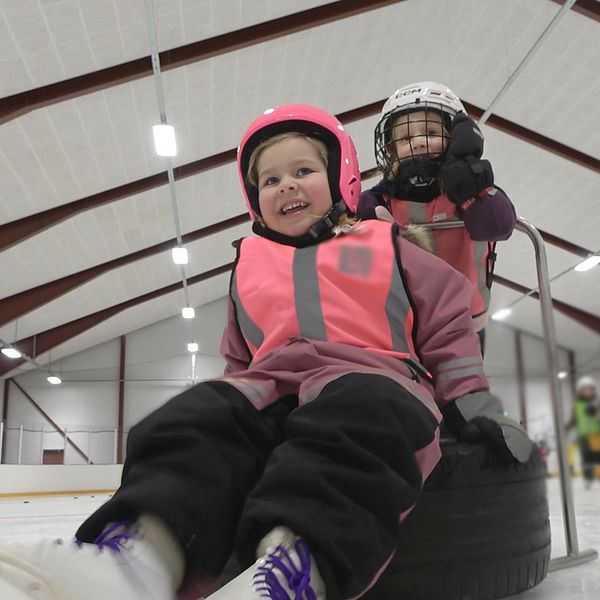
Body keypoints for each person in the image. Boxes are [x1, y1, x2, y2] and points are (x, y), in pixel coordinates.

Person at [0, 104, 532, 600]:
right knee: (192, 421)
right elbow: (238, 356)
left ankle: (292, 570)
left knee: (351, 428)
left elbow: (447, 327)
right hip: (271, 386)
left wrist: (471, 400)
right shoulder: (249, 264)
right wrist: (225, 406)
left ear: (342, 179)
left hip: (373, 378)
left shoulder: (385, 242)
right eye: (269, 180)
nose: (286, 186)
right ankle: (136, 560)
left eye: (303, 171)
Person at [356, 81, 517, 351]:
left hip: (465, 322)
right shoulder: (379, 200)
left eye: (430, 132)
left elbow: (498, 225)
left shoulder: (472, 191)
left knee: (462, 390)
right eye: (406, 138)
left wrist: (470, 178)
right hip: (405, 321)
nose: (418, 142)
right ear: (392, 149)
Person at [569, 376, 600, 489]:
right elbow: (574, 419)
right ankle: (588, 478)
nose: (587, 391)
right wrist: (567, 426)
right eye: (585, 389)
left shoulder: (597, 401)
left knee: (598, 456)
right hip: (583, 435)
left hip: (596, 434)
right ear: (580, 390)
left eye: (589, 389)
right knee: (586, 458)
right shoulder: (577, 404)